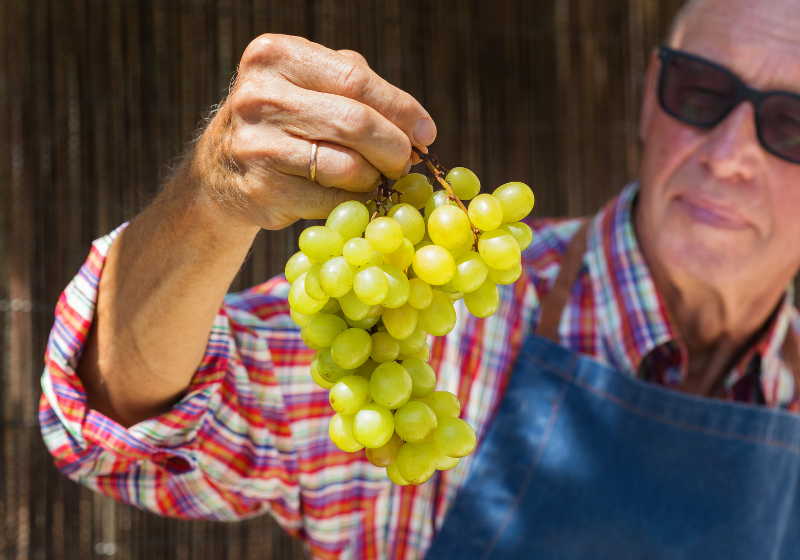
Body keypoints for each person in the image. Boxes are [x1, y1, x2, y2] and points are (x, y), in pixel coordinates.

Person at [39, 0, 800, 557]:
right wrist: (213, 202)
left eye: (792, 123)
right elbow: (123, 427)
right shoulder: (454, 308)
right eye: (701, 92)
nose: (730, 154)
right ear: (648, 99)